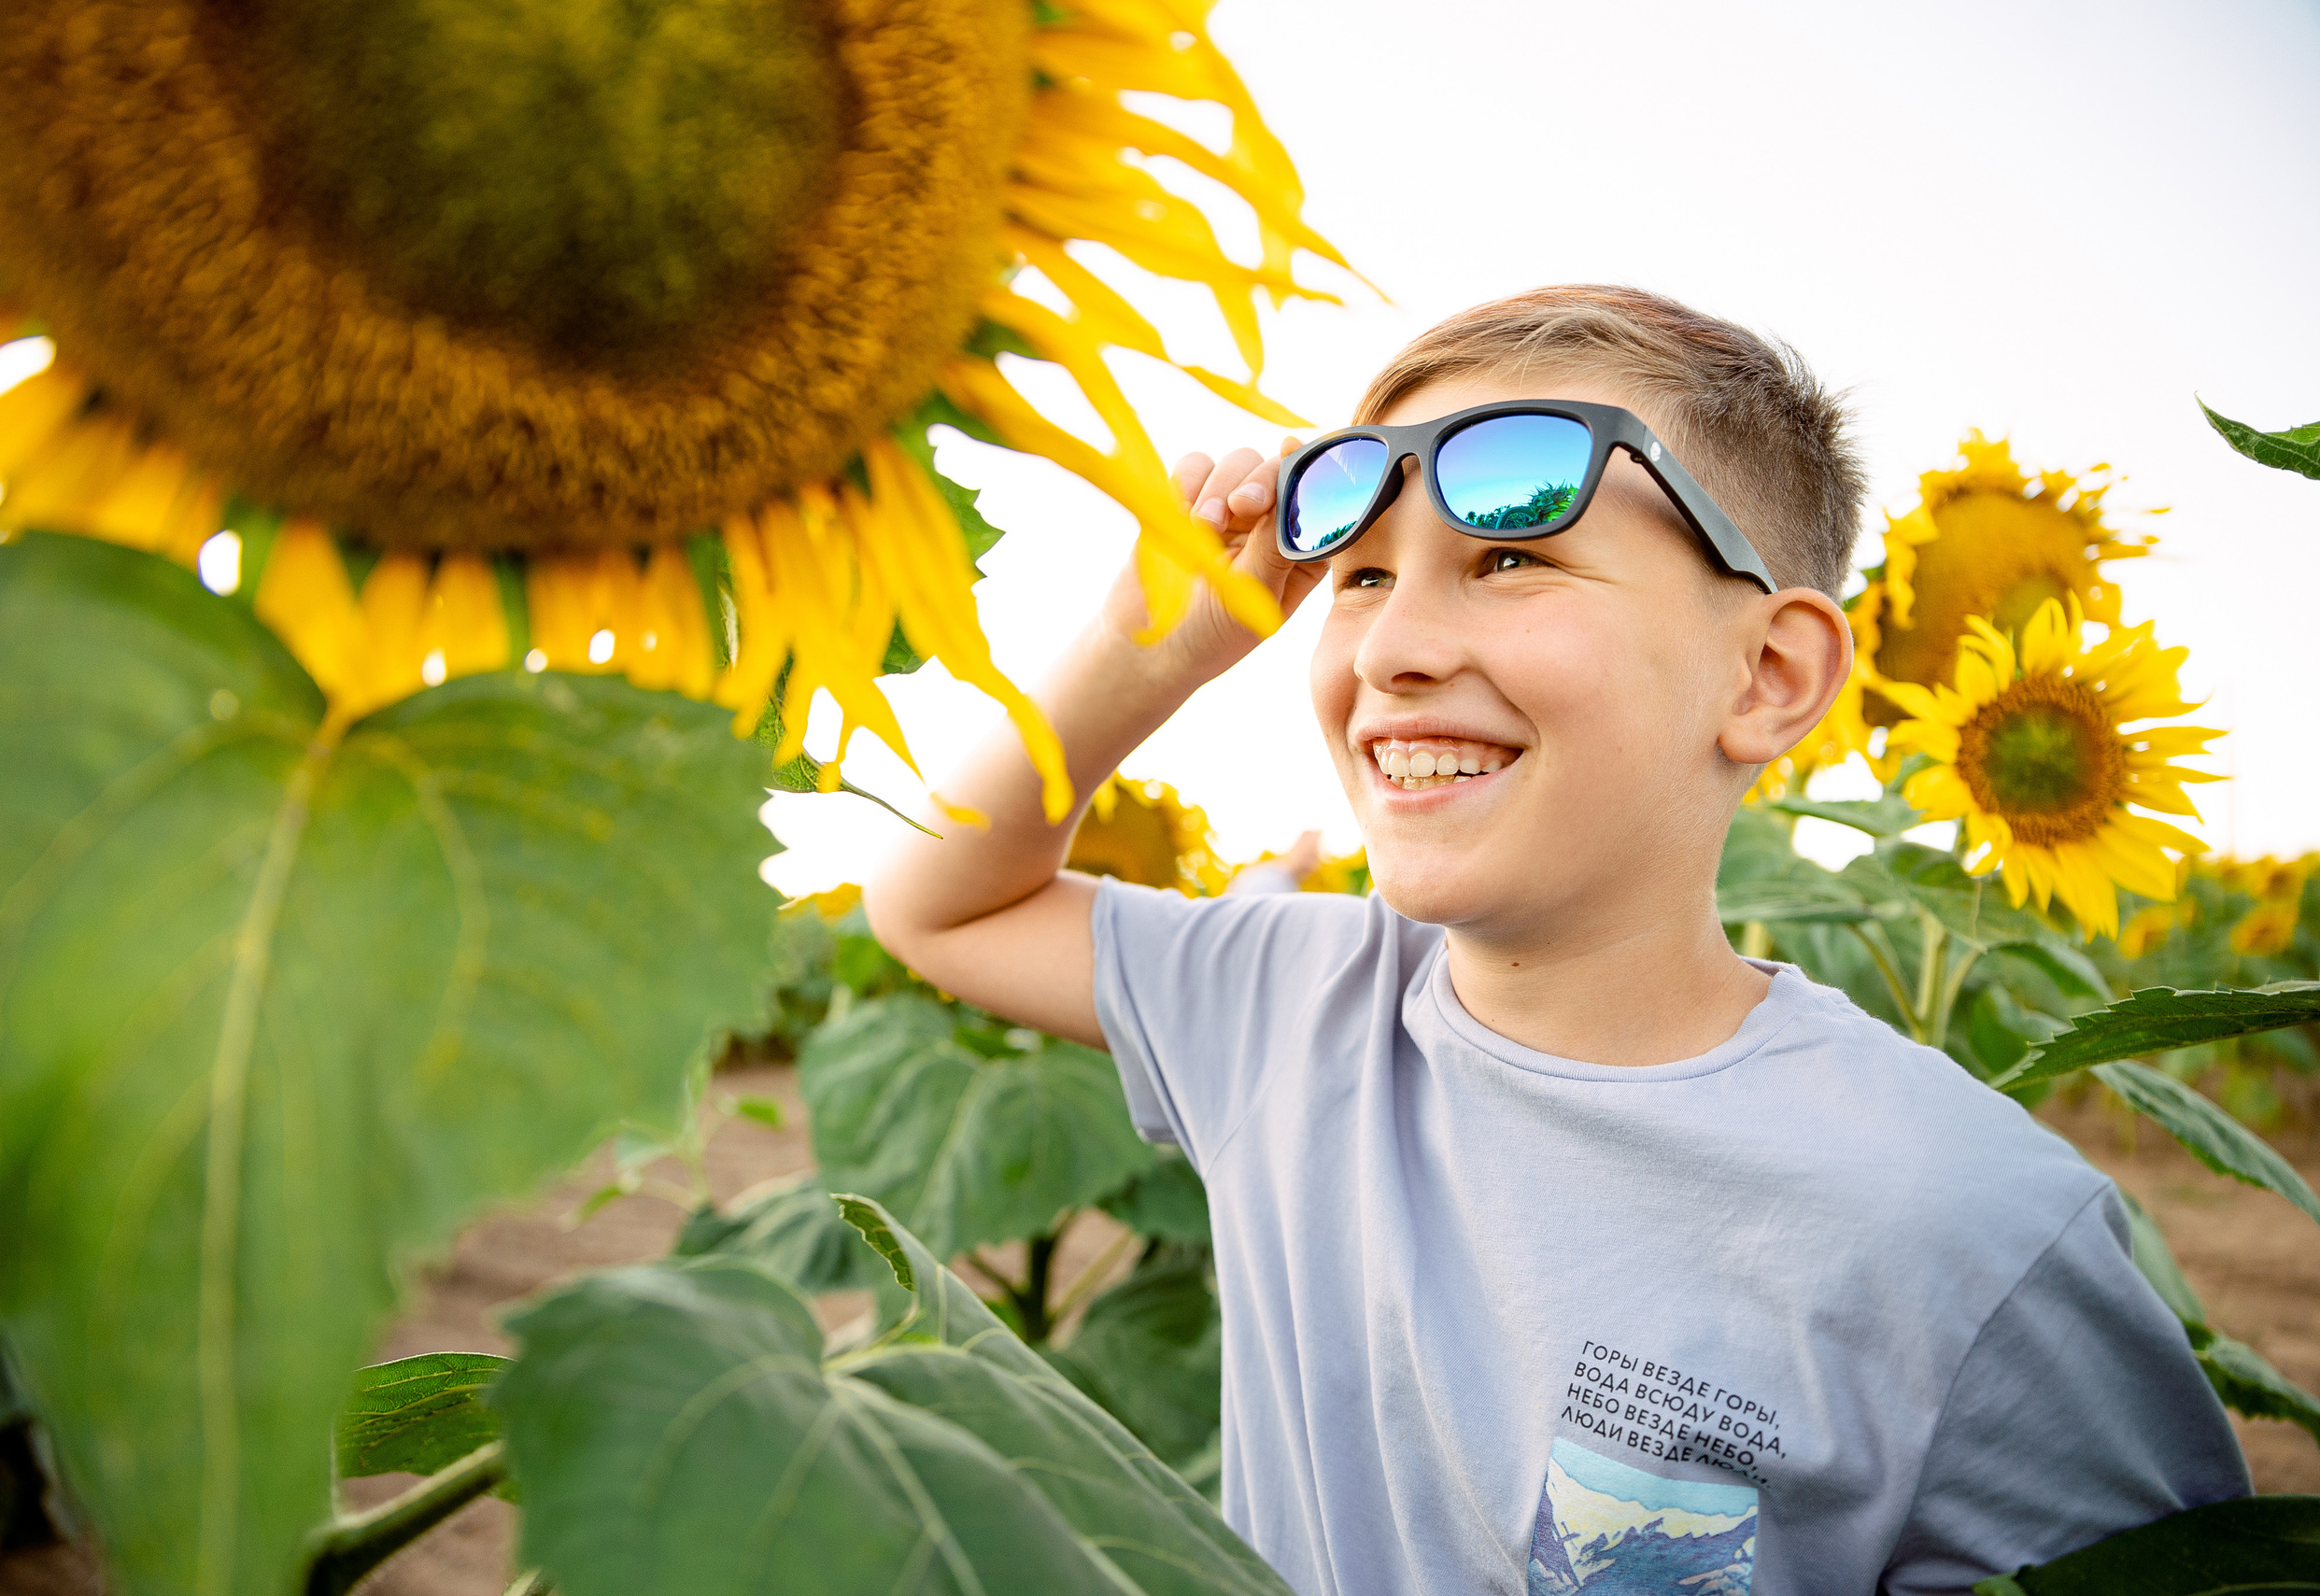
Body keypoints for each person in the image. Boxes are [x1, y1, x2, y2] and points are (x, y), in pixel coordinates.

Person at [864, 285, 2246, 1595]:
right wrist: (1144, 651)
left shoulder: (1962, 1229)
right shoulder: (1292, 1007)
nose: (1391, 648)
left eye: (1512, 555)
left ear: (1769, 675)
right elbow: (938, 905)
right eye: (1357, 576)